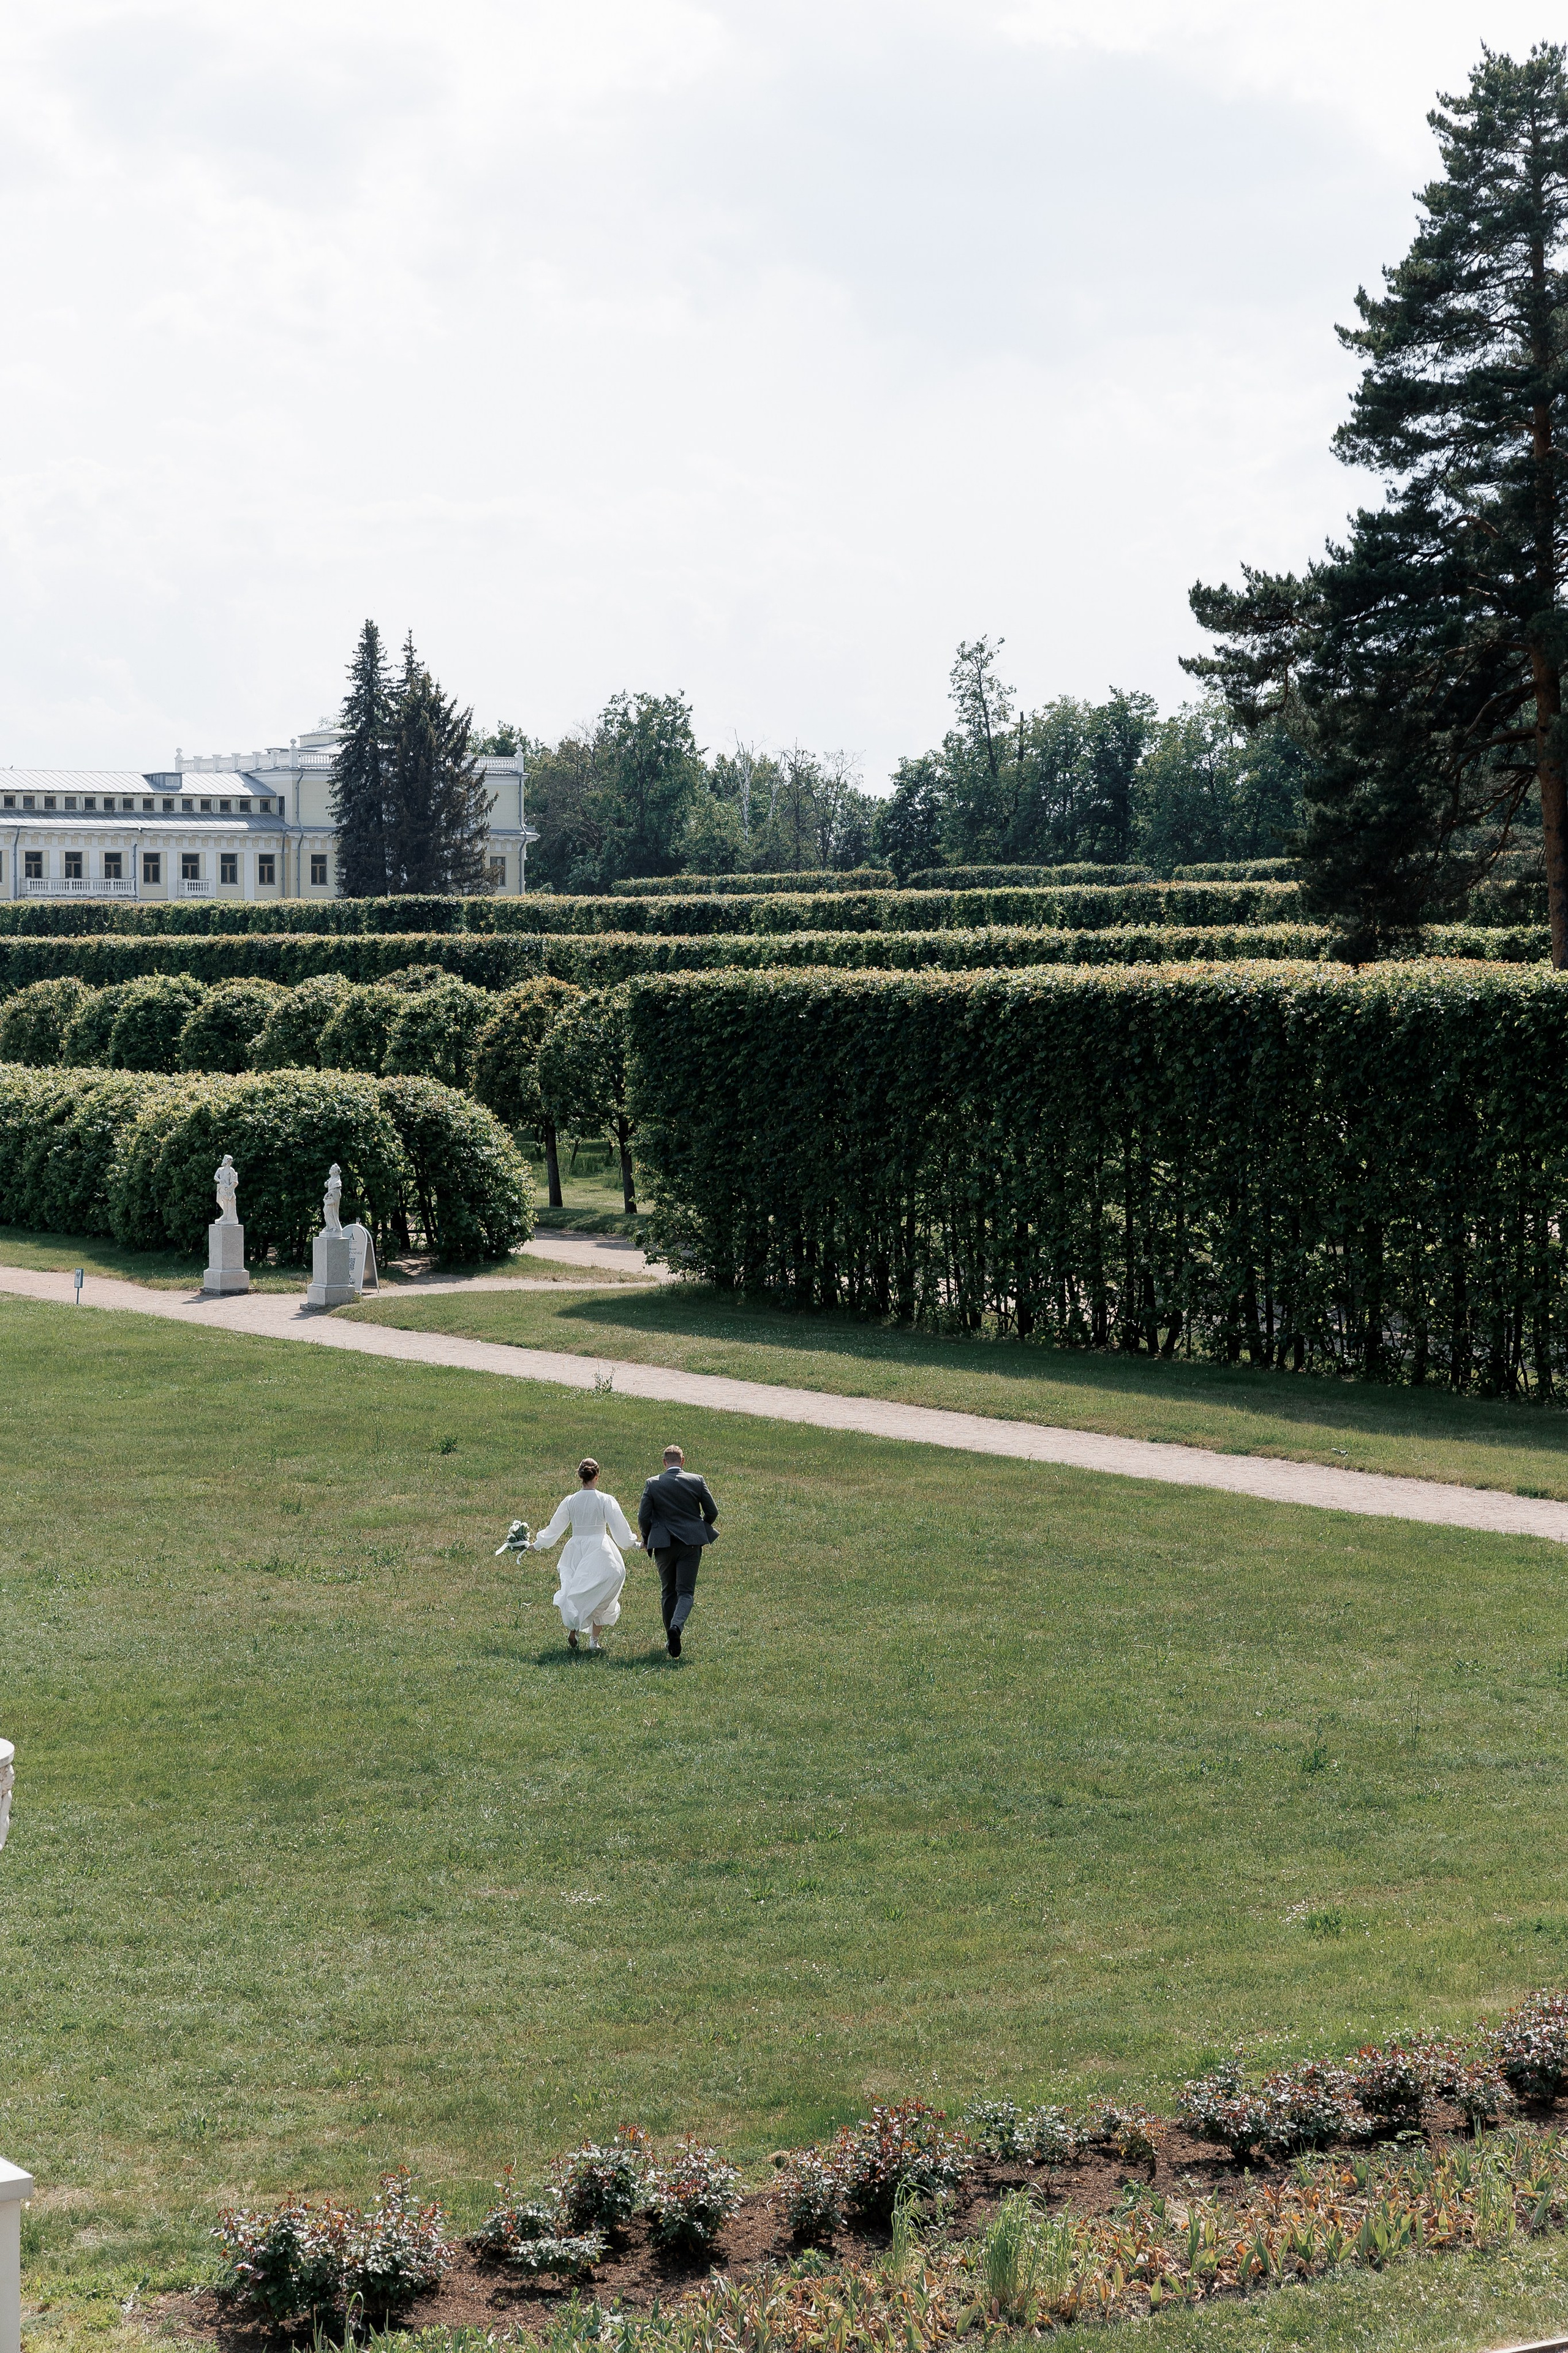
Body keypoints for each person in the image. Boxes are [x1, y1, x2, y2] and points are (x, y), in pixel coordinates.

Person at [530, 1459, 636, 1652]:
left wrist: (537, 1545)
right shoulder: (605, 1500)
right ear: (597, 1476)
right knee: (604, 1591)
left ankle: (574, 1626)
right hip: (600, 1549)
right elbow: (620, 1529)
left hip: (576, 1548)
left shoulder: (570, 1501)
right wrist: (633, 1544)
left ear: (580, 1477)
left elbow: (555, 1528)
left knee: (577, 1588)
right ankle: (594, 1641)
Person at [638, 1445, 719, 1658]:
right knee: (686, 1592)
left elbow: (643, 1517)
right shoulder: (697, 1480)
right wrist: (699, 1527)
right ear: (683, 1461)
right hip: (690, 1545)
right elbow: (712, 1512)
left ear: (664, 1462)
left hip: (663, 1545)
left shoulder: (652, 1484)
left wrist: (647, 1538)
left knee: (668, 1592)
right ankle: (677, 1627)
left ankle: (669, 1637)